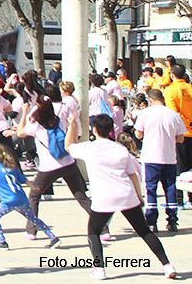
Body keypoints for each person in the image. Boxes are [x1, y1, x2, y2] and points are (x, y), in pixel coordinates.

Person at [67, 113, 177, 280]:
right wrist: (139, 196)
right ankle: (167, 265)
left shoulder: (89, 148)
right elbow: (133, 175)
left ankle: (99, 269)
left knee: (93, 232)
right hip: (126, 194)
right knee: (144, 231)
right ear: (111, 129)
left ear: (94, 129)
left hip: (104, 197)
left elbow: (69, 145)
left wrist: (72, 124)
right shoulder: (120, 149)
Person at [16, 97, 94, 239]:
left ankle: (31, 230)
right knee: (81, 195)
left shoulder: (36, 126)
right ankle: (102, 228)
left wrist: (26, 111)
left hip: (48, 167)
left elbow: (20, 133)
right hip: (68, 163)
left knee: (34, 196)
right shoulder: (60, 121)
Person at [0, 143, 58, 249]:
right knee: (33, 218)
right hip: (21, 199)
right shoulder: (12, 167)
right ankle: (53, 237)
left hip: (8, 201)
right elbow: (24, 180)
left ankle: (2, 242)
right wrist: (34, 187)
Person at [134, 88, 186, 232]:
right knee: (170, 188)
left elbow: (138, 134)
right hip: (169, 157)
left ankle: (151, 221)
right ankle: (172, 220)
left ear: (149, 100)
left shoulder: (145, 113)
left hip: (150, 157)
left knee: (150, 188)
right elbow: (181, 138)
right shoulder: (173, 115)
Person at [163, 64, 192, 207]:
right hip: (191, 132)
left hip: (180, 133)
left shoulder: (170, 90)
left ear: (172, 75)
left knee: (179, 168)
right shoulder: (190, 88)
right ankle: (191, 199)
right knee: (190, 167)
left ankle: (179, 200)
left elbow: (173, 114)